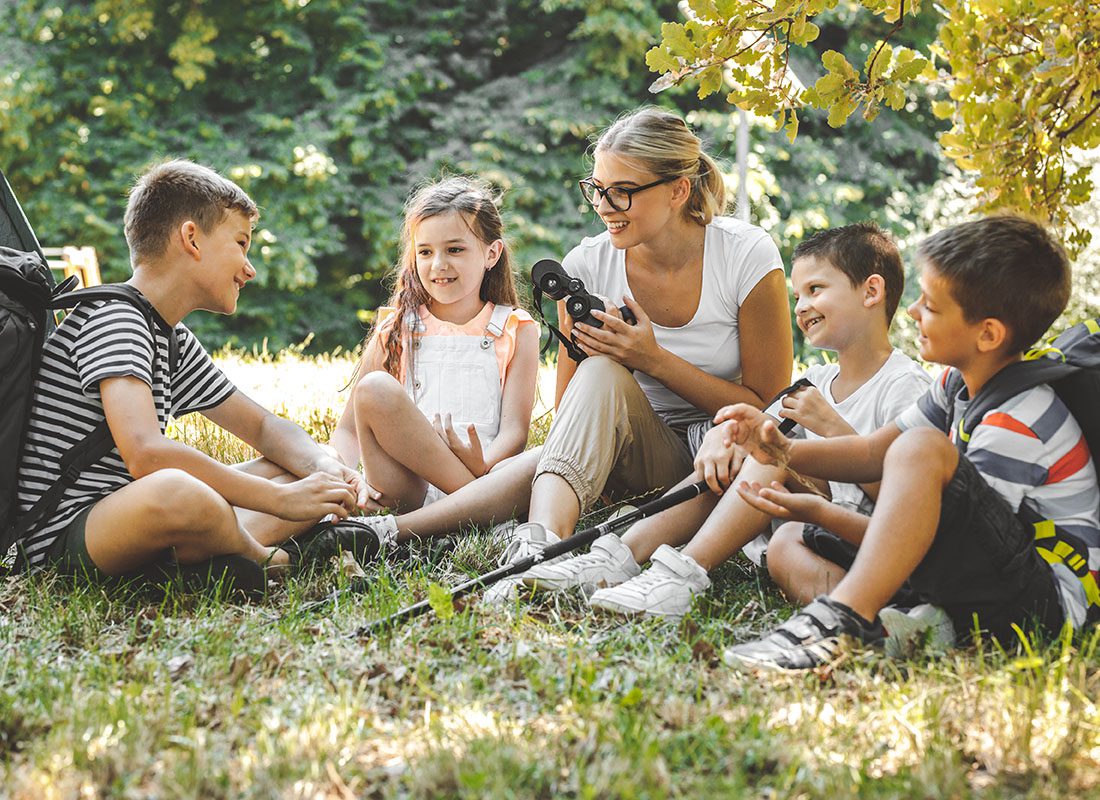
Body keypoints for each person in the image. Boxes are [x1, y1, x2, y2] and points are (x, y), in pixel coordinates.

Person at [349, 107, 793, 566]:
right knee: (595, 378)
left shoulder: (746, 255)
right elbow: (569, 423)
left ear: (679, 190)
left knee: (590, 390)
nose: (603, 207)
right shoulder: (586, 266)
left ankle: (402, 531)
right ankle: (534, 542)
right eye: (597, 190)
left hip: (719, 453)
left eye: (622, 193)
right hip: (623, 455)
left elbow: (772, 409)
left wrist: (652, 360)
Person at [719, 215, 1099, 672]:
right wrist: (782, 452)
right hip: (983, 572)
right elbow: (872, 453)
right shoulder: (956, 385)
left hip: (1043, 614)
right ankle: (901, 629)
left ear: (989, 334)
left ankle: (848, 619)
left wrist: (822, 511)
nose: (914, 311)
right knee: (788, 542)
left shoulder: (1018, 420)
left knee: (921, 447)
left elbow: (945, 544)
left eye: (932, 306)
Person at [518, 223, 931, 620]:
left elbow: (905, 498)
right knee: (749, 450)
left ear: (871, 291)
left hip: (865, 533)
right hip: (800, 526)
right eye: (798, 295)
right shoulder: (817, 381)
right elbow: (750, 432)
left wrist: (830, 426)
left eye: (815, 290)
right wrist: (723, 434)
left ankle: (683, 572)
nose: (802, 307)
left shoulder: (902, 384)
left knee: (773, 452)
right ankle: (617, 556)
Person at [13, 159, 366, 580]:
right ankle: (273, 561)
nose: (249, 268)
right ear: (192, 239)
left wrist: (324, 470)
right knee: (180, 491)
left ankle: (206, 562)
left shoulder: (170, 336)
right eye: (241, 243)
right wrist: (281, 500)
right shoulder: (115, 319)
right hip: (67, 535)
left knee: (301, 461)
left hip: (129, 511)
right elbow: (146, 453)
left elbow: (264, 428)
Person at [329, 177, 539, 513]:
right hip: (407, 488)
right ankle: (479, 506)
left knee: (544, 460)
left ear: (491, 254)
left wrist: (484, 462)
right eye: (425, 252)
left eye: (454, 249)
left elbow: (514, 433)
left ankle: (473, 501)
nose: (438, 264)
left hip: (484, 470)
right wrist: (342, 474)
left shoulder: (516, 329)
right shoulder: (397, 327)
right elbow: (348, 433)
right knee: (374, 389)